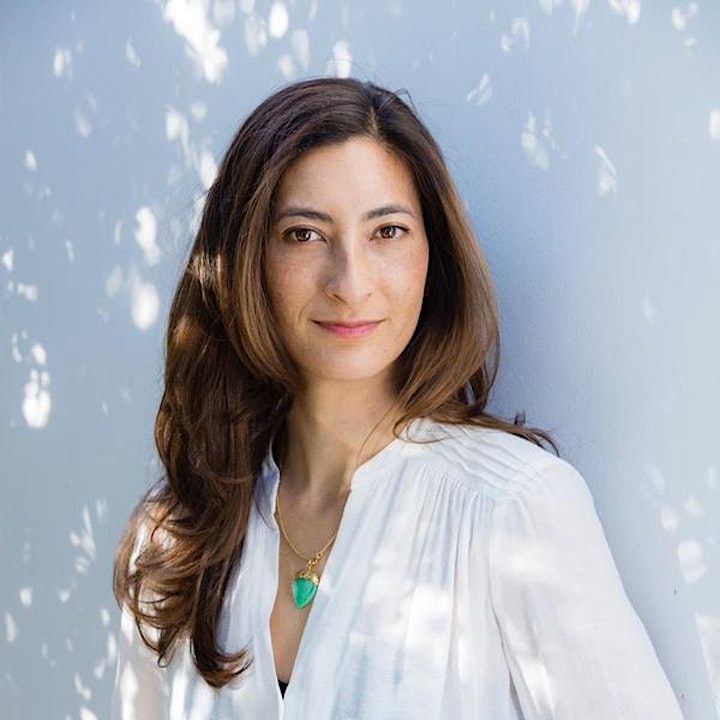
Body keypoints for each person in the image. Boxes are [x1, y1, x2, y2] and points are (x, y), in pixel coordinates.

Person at [111, 77, 683, 720]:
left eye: (387, 231)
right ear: (247, 260)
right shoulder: (174, 536)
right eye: (304, 234)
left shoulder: (513, 507)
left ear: (432, 253)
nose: (350, 283)